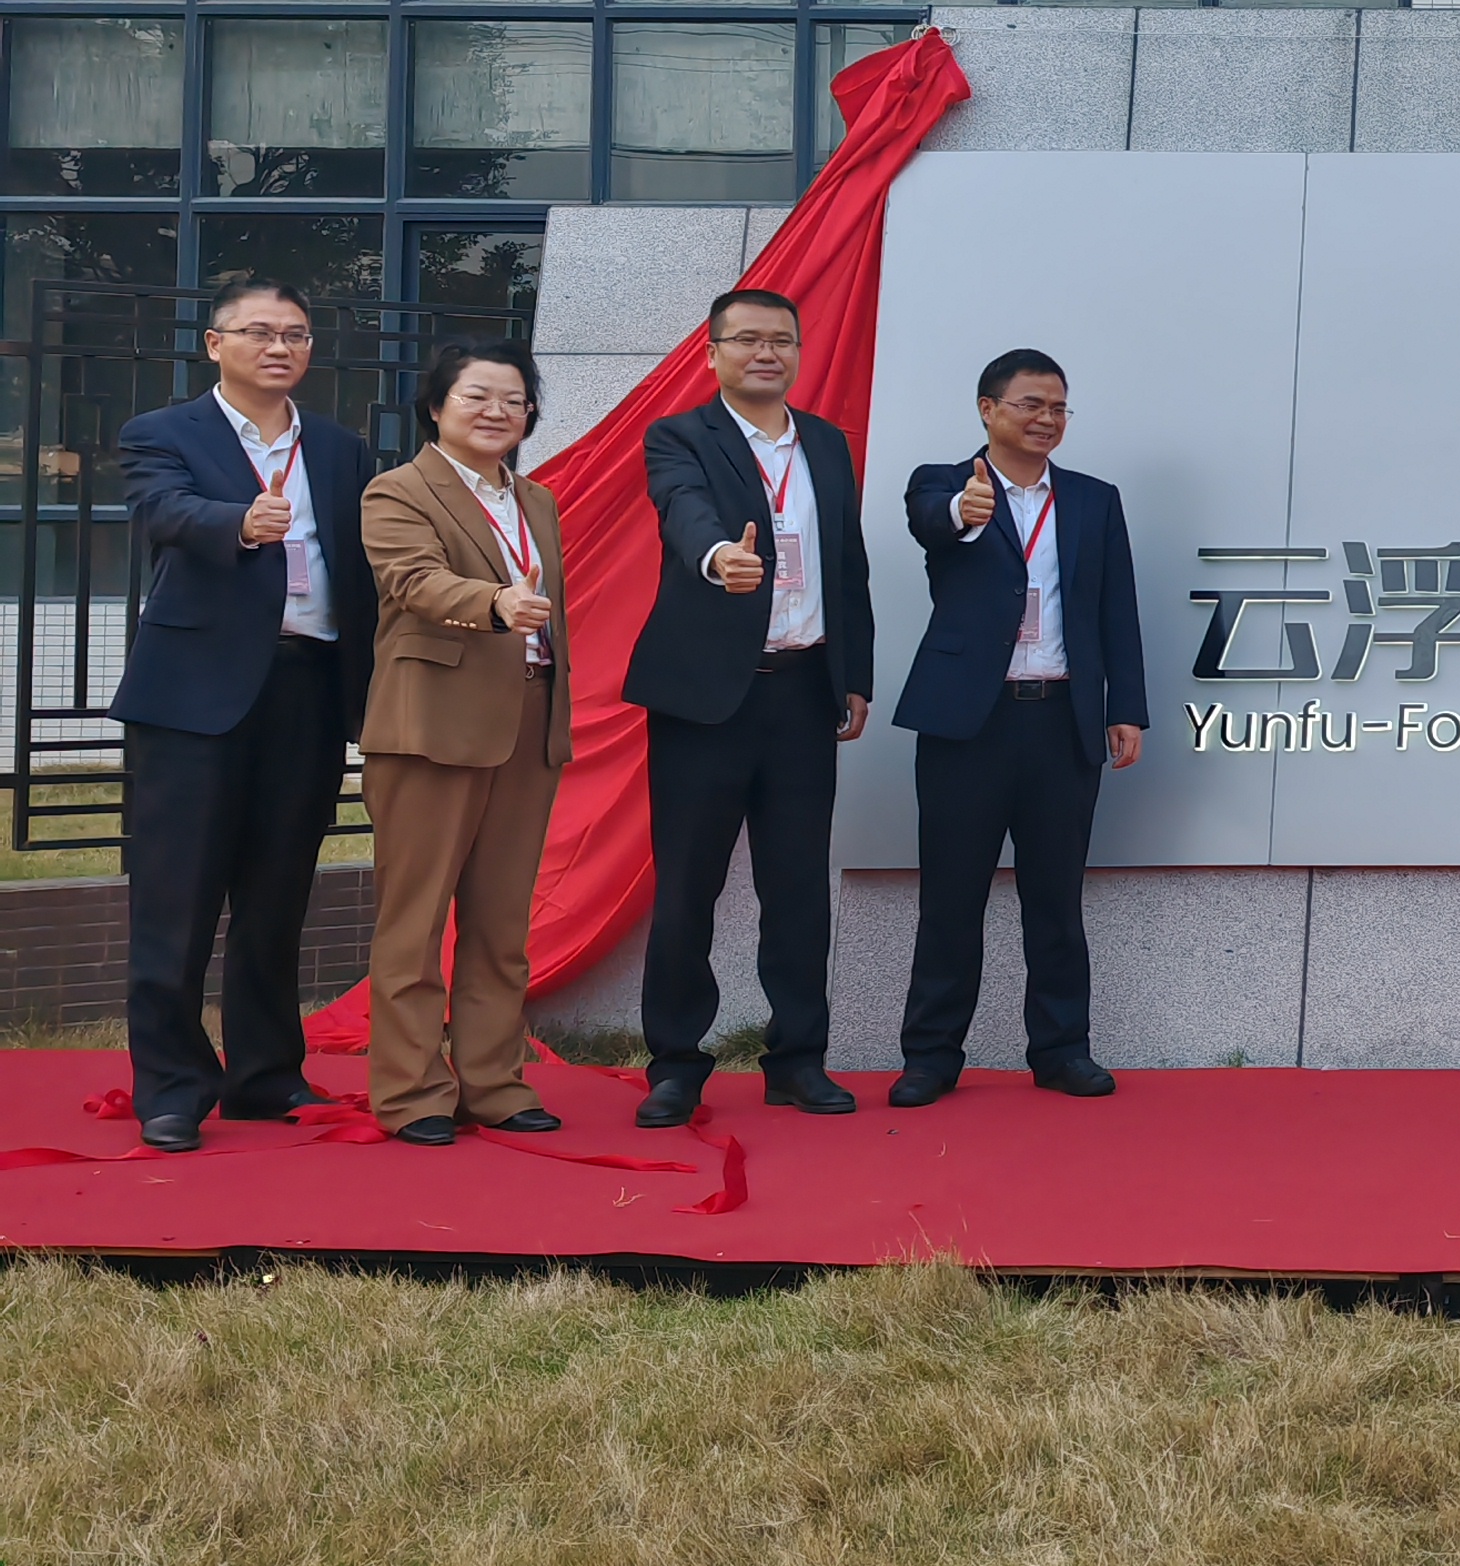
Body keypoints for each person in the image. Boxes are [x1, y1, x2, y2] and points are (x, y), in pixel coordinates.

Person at [109, 274, 376, 1153]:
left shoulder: (338, 447)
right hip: (195, 696)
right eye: (259, 331)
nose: (279, 346)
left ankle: (265, 1075)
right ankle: (172, 1086)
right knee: (177, 898)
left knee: (277, 895)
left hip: (308, 688)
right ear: (216, 344)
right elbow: (162, 510)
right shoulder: (162, 432)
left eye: (294, 333)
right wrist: (239, 521)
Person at [623, 287, 874, 1128]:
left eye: (781, 341)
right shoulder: (680, 436)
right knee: (687, 886)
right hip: (706, 700)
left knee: (798, 888)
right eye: (747, 340)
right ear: (713, 353)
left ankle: (798, 1061)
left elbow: (847, 563)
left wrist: (854, 674)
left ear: (798, 352)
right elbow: (682, 510)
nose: (766, 353)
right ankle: (675, 1065)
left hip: (804, 692)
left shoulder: (827, 444)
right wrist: (717, 556)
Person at [888, 352, 1146, 1105]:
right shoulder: (943, 483)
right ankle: (931, 1056)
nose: (1046, 419)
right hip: (968, 724)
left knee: (1056, 900)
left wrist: (1125, 707)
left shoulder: (1094, 500)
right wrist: (963, 513)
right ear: (988, 409)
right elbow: (931, 523)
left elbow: (1117, 607)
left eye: (1059, 408)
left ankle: (1062, 1051)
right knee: (951, 898)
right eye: (1031, 403)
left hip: (1062, 721)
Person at [356, 341, 574, 1147]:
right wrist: (494, 603)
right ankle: (412, 1092)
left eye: (513, 399)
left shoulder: (537, 499)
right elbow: (413, 581)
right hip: (432, 726)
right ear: (436, 407)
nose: (496, 412)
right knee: (414, 922)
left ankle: (493, 1082)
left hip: (527, 720)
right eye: (477, 396)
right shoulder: (398, 490)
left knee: (501, 919)